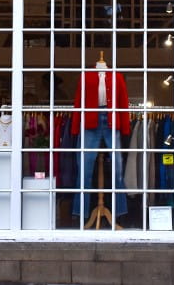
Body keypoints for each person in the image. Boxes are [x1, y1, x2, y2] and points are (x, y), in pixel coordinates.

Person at [71, 52, 131, 221]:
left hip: (112, 120)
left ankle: (120, 213)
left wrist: (125, 128)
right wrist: (75, 128)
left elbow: (123, 102)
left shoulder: (117, 76)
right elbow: (78, 101)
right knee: (84, 169)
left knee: (118, 169)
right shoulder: (86, 75)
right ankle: (80, 213)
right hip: (90, 121)